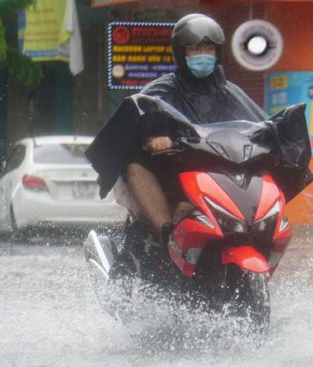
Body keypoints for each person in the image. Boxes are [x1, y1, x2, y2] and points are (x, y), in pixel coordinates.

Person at [86, 13, 268, 246]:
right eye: (194, 48)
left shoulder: (232, 94)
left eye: (208, 48)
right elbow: (137, 122)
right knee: (135, 165)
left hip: (221, 174)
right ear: (181, 53)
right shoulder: (160, 91)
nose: (203, 54)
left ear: (218, 52)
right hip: (173, 173)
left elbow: (258, 126)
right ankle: (167, 233)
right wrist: (156, 139)